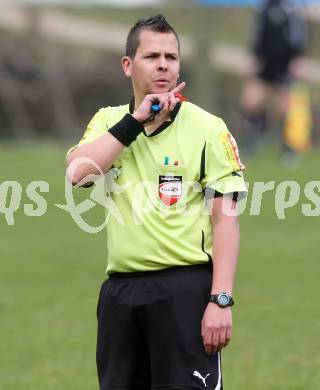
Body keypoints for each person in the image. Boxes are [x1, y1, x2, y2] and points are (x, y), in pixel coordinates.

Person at [66, 14, 247, 390]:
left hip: (184, 292)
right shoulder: (110, 121)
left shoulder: (207, 128)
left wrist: (221, 300)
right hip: (121, 295)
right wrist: (135, 122)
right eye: (151, 56)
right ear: (128, 65)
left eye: (171, 56)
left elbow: (225, 220)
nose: (163, 64)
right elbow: (78, 174)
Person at [240, 0, 307, 157]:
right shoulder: (262, 9)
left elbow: (298, 36)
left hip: (285, 65)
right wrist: (254, 58)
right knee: (251, 101)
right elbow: (256, 35)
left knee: (285, 107)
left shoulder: (292, 9)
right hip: (265, 64)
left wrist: (297, 59)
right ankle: (252, 143)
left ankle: (288, 148)